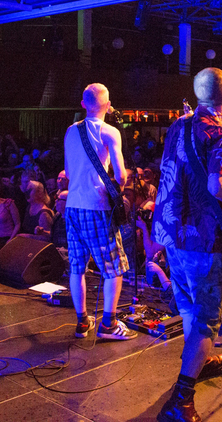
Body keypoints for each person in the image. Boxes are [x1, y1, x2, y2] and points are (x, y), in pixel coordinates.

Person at [154, 68, 222, 422]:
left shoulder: (178, 125)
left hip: (171, 230)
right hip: (202, 237)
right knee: (208, 316)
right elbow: (218, 187)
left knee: (187, 302)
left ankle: (201, 359)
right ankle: (181, 400)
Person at [64, 83, 137, 341]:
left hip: (72, 205)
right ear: (108, 105)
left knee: (77, 266)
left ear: (83, 104)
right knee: (114, 267)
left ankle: (82, 321)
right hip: (96, 207)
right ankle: (109, 324)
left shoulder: (71, 131)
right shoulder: (110, 131)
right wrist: (117, 188)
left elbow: (69, 173)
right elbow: (121, 175)